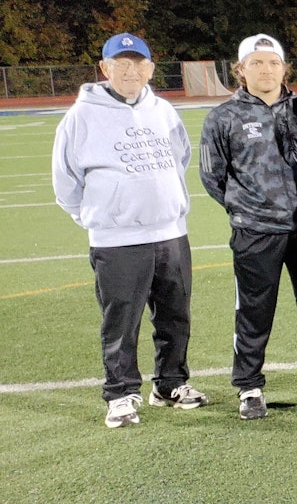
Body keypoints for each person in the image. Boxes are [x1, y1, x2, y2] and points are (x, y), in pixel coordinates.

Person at [53, 32, 207, 428]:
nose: (130, 71)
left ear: (151, 69)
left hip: (170, 232)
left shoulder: (163, 110)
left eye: (137, 64)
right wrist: (100, 217)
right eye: (120, 64)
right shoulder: (81, 116)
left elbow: (180, 157)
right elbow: (65, 181)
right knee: (121, 319)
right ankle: (120, 393)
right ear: (104, 69)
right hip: (117, 240)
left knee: (176, 314)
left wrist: (164, 204)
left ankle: (170, 384)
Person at [199, 33, 297, 420]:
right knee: (255, 310)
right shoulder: (223, 117)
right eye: (256, 63)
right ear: (241, 69)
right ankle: (249, 385)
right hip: (256, 229)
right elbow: (212, 176)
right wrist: (247, 207)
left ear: (283, 67)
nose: (265, 69)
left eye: (272, 62)